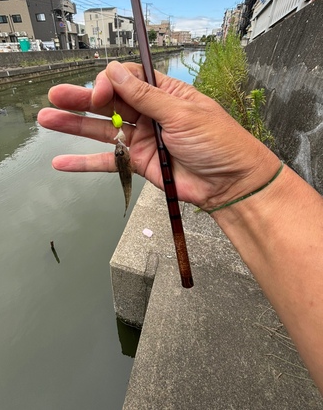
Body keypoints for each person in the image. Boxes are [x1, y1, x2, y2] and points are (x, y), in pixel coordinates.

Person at [38, 61, 323, 394]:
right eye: (121, 151)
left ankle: (128, 201)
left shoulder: (127, 149)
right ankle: (128, 200)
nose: (120, 148)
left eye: (121, 149)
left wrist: (244, 183)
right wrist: (248, 187)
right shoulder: (125, 152)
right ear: (124, 157)